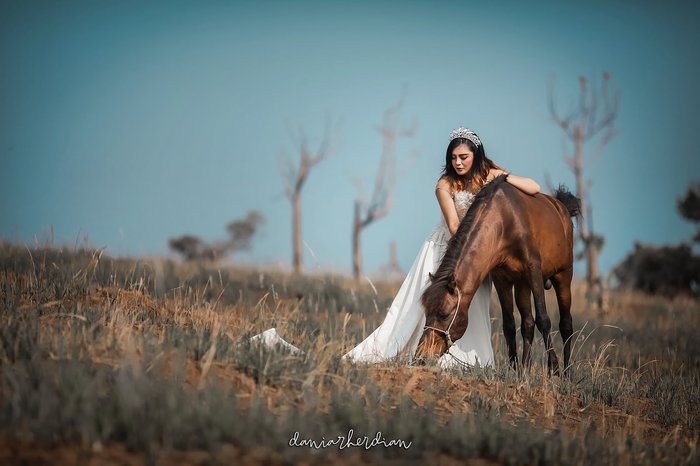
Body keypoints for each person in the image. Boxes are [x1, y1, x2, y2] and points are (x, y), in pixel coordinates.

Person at [252, 127, 541, 369]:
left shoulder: (489, 176)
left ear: (476, 155)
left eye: (463, 157)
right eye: (453, 157)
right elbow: (455, 227)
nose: (458, 163)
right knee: (419, 308)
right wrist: (477, 247)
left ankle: (467, 361)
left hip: (477, 257)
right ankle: (412, 353)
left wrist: (502, 177)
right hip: (446, 250)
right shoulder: (445, 185)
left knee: (470, 308)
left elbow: (534, 188)